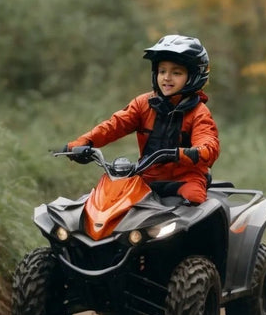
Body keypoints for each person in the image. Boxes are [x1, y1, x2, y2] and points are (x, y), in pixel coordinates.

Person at [64, 34, 220, 205]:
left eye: (176, 72)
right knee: (110, 198)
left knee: (195, 200)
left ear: (193, 77)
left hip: (186, 178)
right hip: (146, 176)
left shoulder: (199, 112)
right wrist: (82, 143)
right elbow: (113, 126)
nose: (167, 77)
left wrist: (188, 153)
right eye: (162, 71)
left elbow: (209, 146)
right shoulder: (143, 104)